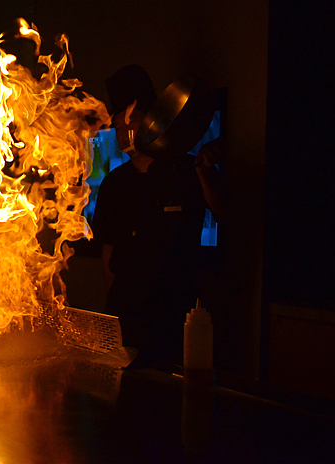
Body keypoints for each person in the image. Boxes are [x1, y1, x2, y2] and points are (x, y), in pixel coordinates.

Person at [91, 65, 226, 367]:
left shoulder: (188, 170)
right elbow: (108, 251)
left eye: (132, 121)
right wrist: (112, 307)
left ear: (153, 122)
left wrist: (205, 172)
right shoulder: (115, 183)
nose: (123, 131)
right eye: (118, 124)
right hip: (126, 312)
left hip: (175, 312)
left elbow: (222, 209)